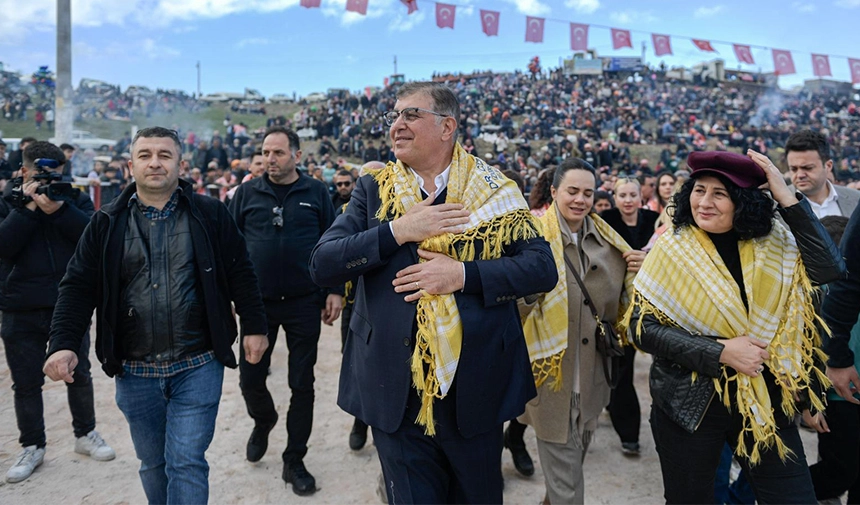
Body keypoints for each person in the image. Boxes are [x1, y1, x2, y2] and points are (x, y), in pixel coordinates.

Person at [309, 81, 557, 504]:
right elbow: (324, 262)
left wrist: (463, 275)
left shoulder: (495, 190)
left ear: (447, 127)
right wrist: (396, 231)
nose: (397, 125)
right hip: (395, 388)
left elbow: (541, 268)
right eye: (394, 116)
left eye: (411, 115)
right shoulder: (374, 189)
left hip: (474, 386)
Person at [44, 127, 269, 505]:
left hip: (198, 363)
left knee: (185, 462)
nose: (154, 162)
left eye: (164, 154)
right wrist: (63, 343)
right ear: (130, 165)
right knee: (152, 462)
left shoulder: (210, 214)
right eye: (145, 154)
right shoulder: (105, 223)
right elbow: (78, 287)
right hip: (135, 371)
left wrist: (255, 325)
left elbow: (240, 272)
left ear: (181, 164)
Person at [624, 150, 846, 504]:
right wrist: (721, 351)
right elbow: (641, 328)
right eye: (699, 190)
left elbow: (830, 269)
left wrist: (786, 196)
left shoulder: (777, 241)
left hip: (768, 395)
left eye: (719, 193)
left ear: (742, 201)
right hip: (690, 404)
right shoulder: (671, 247)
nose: (704, 202)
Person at [518, 158, 641, 504]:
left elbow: (624, 306)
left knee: (568, 473)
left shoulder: (609, 244)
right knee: (569, 490)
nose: (580, 200)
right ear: (554, 191)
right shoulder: (531, 239)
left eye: (588, 193)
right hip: (551, 380)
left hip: (592, 380)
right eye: (572, 191)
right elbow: (510, 306)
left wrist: (642, 270)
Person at [228, 126, 341, 497]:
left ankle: (294, 460)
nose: (270, 160)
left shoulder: (316, 193)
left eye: (278, 153)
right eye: (265, 152)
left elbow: (332, 243)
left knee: (301, 384)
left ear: (296, 155)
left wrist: (334, 290)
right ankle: (264, 420)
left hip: (303, 303)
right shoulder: (246, 193)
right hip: (256, 307)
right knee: (250, 378)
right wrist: (229, 296)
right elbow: (230, 249)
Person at [0, 141, 115, 484]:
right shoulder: (8, 202)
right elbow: (3, 246)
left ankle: (86, 434)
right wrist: (28, 209)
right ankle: (32, 445)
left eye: (55, 173)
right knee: (25, 382)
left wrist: (58, 209)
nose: (49, 179)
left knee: (79, 373)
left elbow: (94, 237)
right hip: (18, 305)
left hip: (69, 304)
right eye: (40, 173)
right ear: (23, 171)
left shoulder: (73, 198)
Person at [598, 178, 658, 456]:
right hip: (614, 307)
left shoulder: (653, 221)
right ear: (615, 197)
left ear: (640, 197)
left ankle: (619, 414)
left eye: (633, 194)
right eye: (622, 195)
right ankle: (629, 433)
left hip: (648, 307)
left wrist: (648, 260)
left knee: (626, 369)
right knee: (621, 370)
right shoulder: (605, 220)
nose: (628, 200)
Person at [821, 207, 860, 504]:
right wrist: (811, 401)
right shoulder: (824, 295)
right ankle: (762, 491)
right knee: (841, 470)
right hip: (837, 395)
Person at [785, 129, 859, 219]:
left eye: (808, 168)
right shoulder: (776, 205)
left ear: (828, 166)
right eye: (794, 169)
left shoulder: (855, 199)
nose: (800, 175)